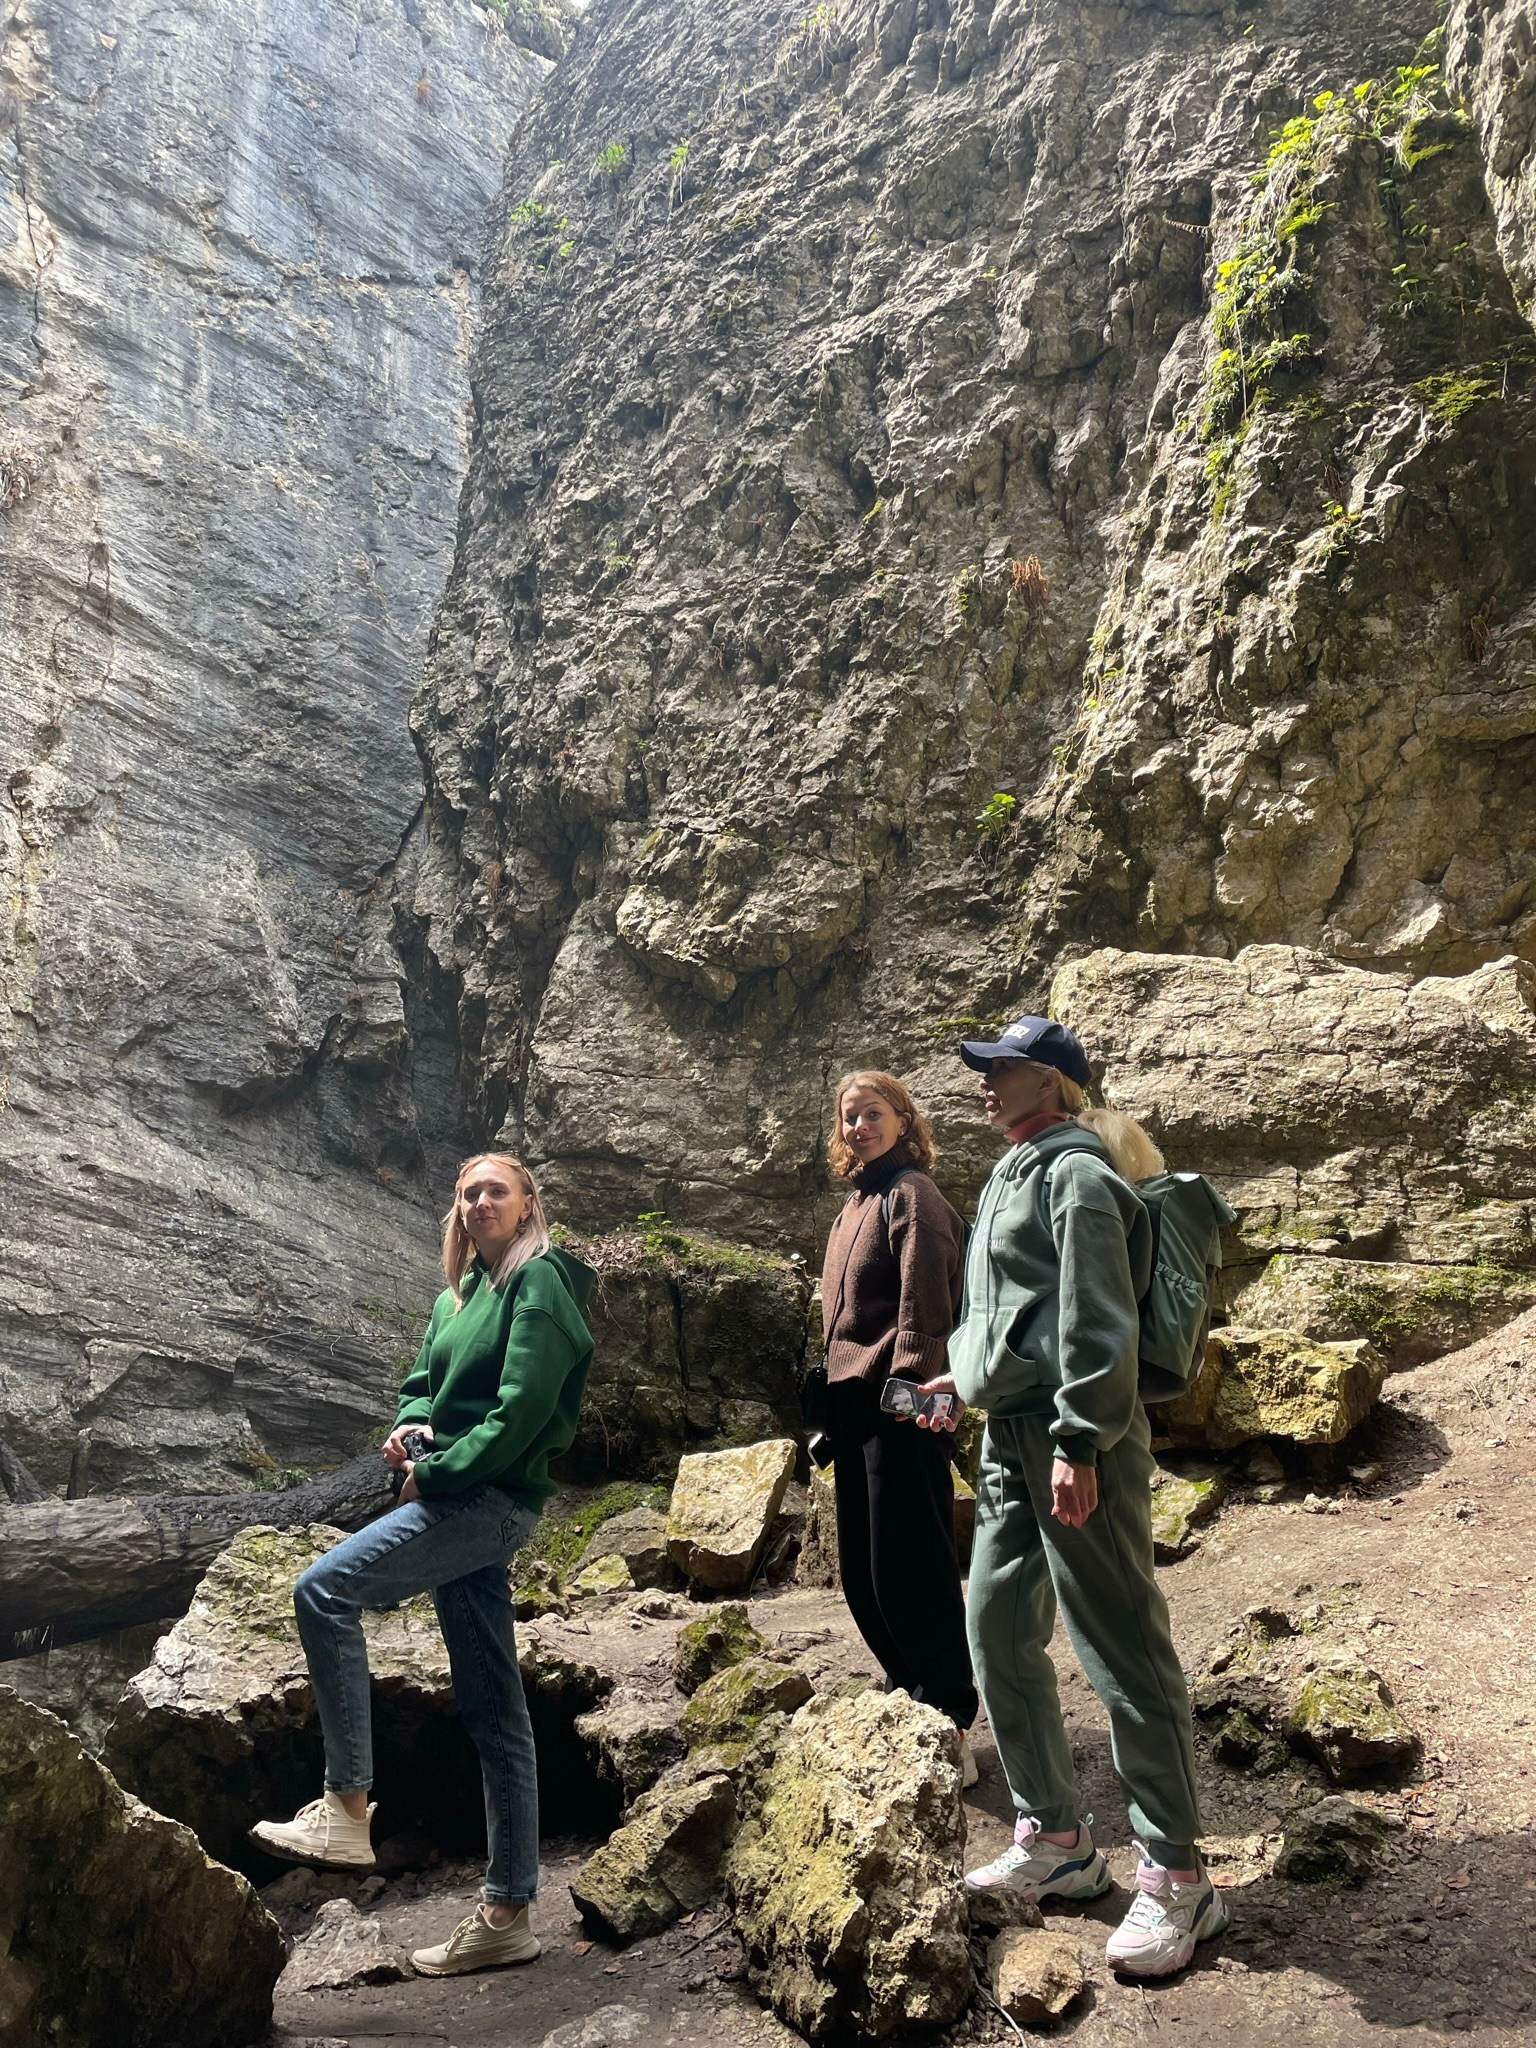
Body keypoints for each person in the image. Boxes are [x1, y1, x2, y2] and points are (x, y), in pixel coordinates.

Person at [921, 1016, 1227, 1978]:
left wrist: (1082, 1436)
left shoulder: (1080, 1174)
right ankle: (1056, 1843)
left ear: (1051, 1082)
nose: (984, 1083)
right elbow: (1008, 1312)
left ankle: (1178, 1878)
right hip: (1012, 1439)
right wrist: (960, 1378)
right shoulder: (1013, 1170)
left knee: (1118, 1644)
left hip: (1072, 1439)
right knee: (994, 1626)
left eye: (1000, 1070)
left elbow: (1098, 1319)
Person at [250, 1153, 595, 1979]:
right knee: (492, 1706)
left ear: (526, 1205)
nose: (480, 1202)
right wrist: (412, 1427)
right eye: (468, 1192)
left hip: (485, 1502)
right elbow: (420, 1384)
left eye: (495, 1191)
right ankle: (509, 1912)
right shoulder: (458, 1296)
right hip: (459, 1497)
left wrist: (433, 1472)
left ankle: (346, 1804)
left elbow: (521, 1415)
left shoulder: (539, 1283)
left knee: (324, 1589)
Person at [819, 1070, 979, 1773]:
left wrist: (910, 1391)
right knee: (863, 1566)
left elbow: (925, 1306)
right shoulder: (855, 1203)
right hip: (855, 1403)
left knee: (911, 1563)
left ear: (905, 1120)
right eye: (851, 1117)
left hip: (901, 1403)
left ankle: (948, 1713)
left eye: (874, 1113)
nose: (860, 1126)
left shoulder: (914, 1195)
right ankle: (907, 1688)